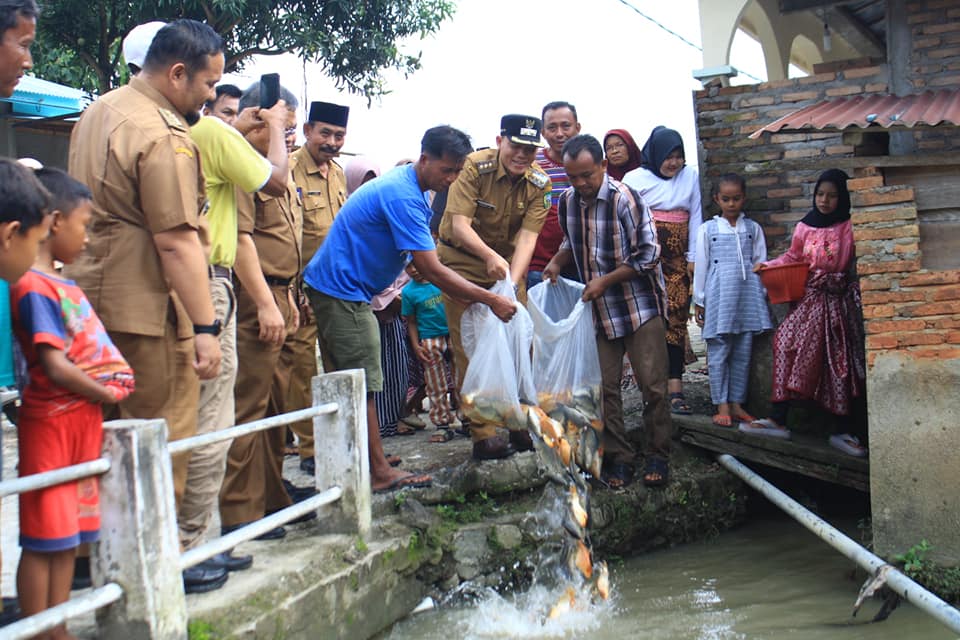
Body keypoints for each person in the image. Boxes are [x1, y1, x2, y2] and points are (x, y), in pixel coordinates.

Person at [64, 19, 225, 592]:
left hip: (89, 303)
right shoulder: (164, 135)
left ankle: (91, 560)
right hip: (147, 312)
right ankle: (154, 564)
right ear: (177, 74)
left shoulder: (100, 109)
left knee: (97, 439)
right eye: (208, 85)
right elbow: (177, 239)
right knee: (156, 438)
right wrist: (205, 325)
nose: (211, 97)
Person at [302, 125, 518, 491]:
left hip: (342, 287)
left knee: (352, 380)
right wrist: (491, 299)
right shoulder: (403, 194)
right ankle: (379, 472)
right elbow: (433, 269)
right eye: (446, 170)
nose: (450, 179)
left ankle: (368, 458)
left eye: (456, 172)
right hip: (343, 291)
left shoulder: (412, 188)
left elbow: (414, 258)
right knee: (364, 382)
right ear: (425, 159)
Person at [10, 168, 134, 639]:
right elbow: (54, 363)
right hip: (53, 424)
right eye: (84, 226)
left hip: (79, 421)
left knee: (68, 536)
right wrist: (104, 393)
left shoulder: (61, 284)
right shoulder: (34, 287)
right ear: (55, 222)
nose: (86, 239)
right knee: (44, 537)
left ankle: (56, 626)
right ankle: (38, 627)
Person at [177, 88, 293, 580]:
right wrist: (266, 302)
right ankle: (213, 532)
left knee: (244, 411)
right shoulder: (219, 143)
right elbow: (273, 191)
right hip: (226, 288)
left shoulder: (205, 140)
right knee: (224, 416)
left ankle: (215, 529)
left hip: (243, 288)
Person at [543, 134, 672, 489]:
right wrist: (556, 262)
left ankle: (659, 454)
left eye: (588, 175)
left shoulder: (624, 199)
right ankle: (620, 458)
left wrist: (605, 280)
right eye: (574, 177)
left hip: (639, 305)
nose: (581, 184)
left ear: (603, 166)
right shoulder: (567, 201)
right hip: (598, 310)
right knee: (604, 389)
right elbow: (571, 241)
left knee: (654, 386)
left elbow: (648, 255)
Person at [220, 83, 307, 541]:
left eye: (291, 130)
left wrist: (287, 296)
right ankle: (239, 511)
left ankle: (273, 497)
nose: (288, 138)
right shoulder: (243, 169)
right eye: (280, 127)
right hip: (257, 300)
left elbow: (286, 241)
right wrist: (264, 302)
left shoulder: (275, 169)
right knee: (248, 407)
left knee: (276, 408)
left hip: (281, 294)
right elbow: (241, 240)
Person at [437, 114, 551, 460]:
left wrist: (512, 285)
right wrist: (488, 256)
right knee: (469, 345)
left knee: (519, 343)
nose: (522, 156)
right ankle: (483, 431)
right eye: (516, 146)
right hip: (462, 262)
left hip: (506, 268)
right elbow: (459, 225)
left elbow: (528, 240)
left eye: (530, 150)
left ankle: (516, 421)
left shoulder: (539, 182)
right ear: (501, 140)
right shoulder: (473, 167)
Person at [748, 169, 867, 456]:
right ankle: (778, 419)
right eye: (820, 194)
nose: (825, 200)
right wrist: (769, 266)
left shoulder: (849, 227)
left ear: (843, 197)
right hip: (809, 300)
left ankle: (842, 430)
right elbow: (793, 257)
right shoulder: (804, 227)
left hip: (837, 304)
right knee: (786, 343)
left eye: (832, 195)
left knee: (838, 363)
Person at [287, 100, 349, 475]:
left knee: (339, 362)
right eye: (325, 133)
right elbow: (288, 235)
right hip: (301, 288)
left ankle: (340, 440)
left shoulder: (338, 174)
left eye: (339, 135)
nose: (332, 141)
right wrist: (296, 290)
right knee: (302, 368)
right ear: (308, 130)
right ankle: (310, 449)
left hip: (335, 285)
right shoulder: (289, 169)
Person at [623, 126, 703, 416]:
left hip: (677, 259)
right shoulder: (634, 179)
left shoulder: (690, 177)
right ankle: (650, 387)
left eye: (679, 156)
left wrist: (693, 258)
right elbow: (627, 220)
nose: (674, 162)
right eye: (668, 156)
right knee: (648, 322)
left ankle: (675, 387)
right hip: (646, 260)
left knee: (677, 319)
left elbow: (696, 216)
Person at [693, 174, 772, 428]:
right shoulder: (708, 230)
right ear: (717, 199)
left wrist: (760, 295)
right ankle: (722, 404)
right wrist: (700, 300)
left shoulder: (753, 229)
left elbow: (760, 262)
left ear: (744, 198)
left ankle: (737, 403)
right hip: (719, 297)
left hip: (747, 296)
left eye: (736, 198)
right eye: (725, 199)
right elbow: (702, 267)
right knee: (719, 351)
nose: (731, 204)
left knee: (743, 351)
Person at [402, 260, 458, 442]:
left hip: (452, 335)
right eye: (408, 266)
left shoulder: (442, 280)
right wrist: (416, 345)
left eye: (416, 264)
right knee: (435, 384)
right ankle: (442, 424)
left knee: (462, 380)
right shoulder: (408, 292)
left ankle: (468, 420)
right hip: (429, 339)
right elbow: (411, 321)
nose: (414, 270)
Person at [527, 101, 579, 289]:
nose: (559, 134)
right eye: (552, 127)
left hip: (580, 262)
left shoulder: (588, 161)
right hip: (538, 264)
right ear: (543, 132)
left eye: (566, 126)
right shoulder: (532, 163)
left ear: (577, 127)